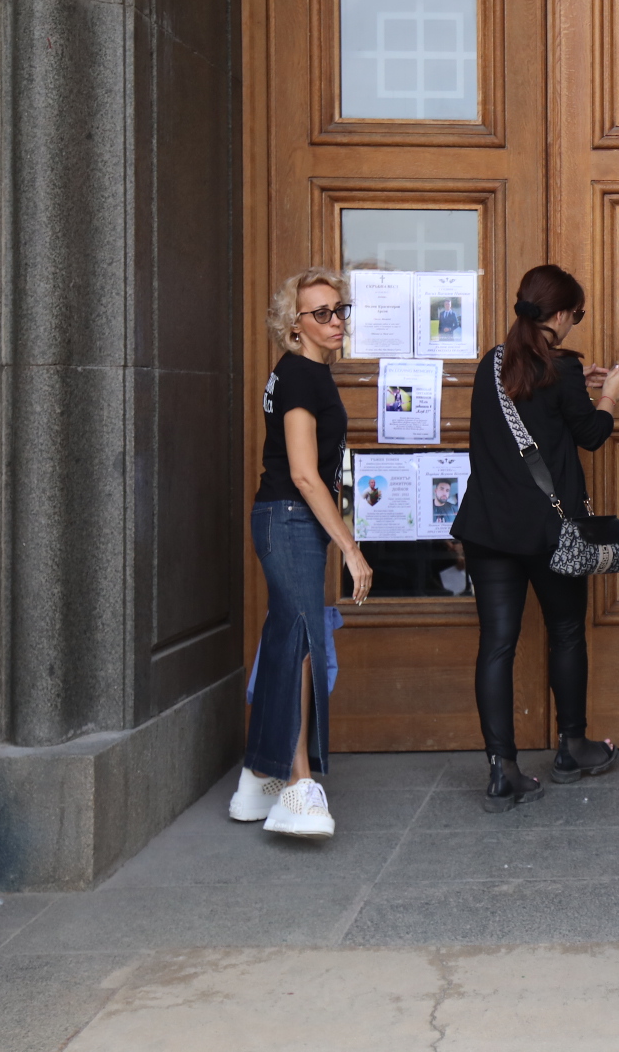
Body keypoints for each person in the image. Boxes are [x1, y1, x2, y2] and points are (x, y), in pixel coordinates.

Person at [452, 265, 619, 811]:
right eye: (576, 314)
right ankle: (572, 747)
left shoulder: (491, 366)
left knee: (496, 645)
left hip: (489, 531)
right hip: (553, 536)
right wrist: (611, 395)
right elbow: (593, 436)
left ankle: (502, 770)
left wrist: (582, 384)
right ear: (557, 315)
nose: (576, 323)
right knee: (566, 632)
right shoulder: (563, 370)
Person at [229, 268, 374, 838]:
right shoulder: (299, 377)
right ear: (295, 324)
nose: (335, 322)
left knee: (288, 637)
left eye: (340, 310)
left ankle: (258, 780)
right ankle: (296, 785)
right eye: (321, 313)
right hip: (289, 518)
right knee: (302, 642)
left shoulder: (306, 373)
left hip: (287, 520)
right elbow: (304, 476)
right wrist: (352, 550)